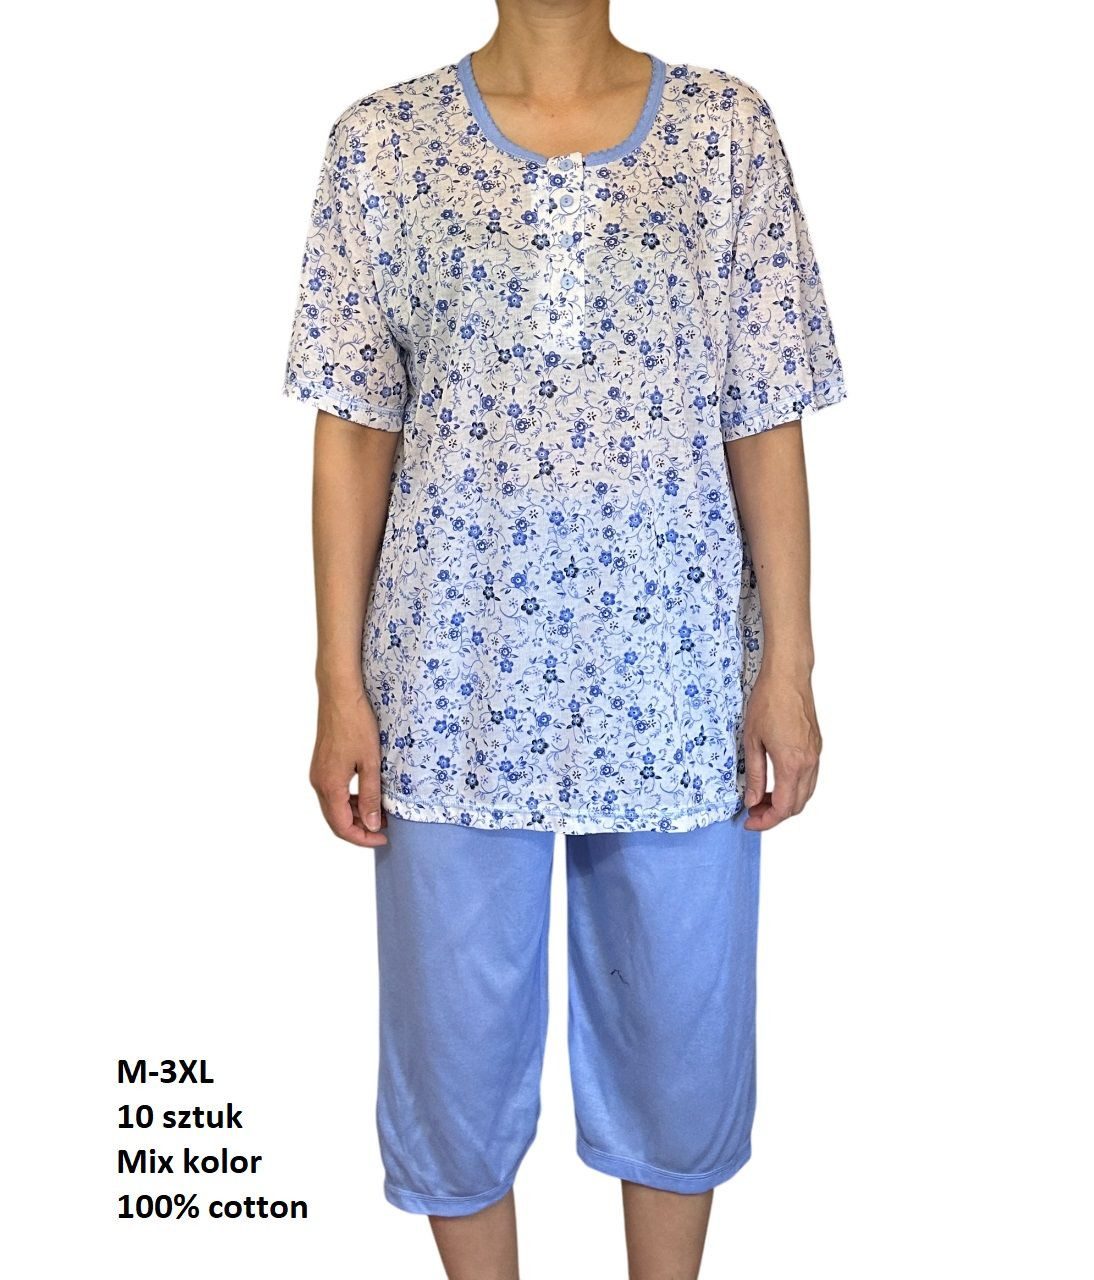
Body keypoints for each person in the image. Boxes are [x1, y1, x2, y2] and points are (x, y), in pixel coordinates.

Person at [281, 2, 845, 1275]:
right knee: (450, 1049)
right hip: (448, 676)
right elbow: (355, 429)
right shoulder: (381, 144)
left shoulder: (724, 134)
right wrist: (336, 682)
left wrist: (789, 665)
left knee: (679, 1035)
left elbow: (762, 415)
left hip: (674, 680)